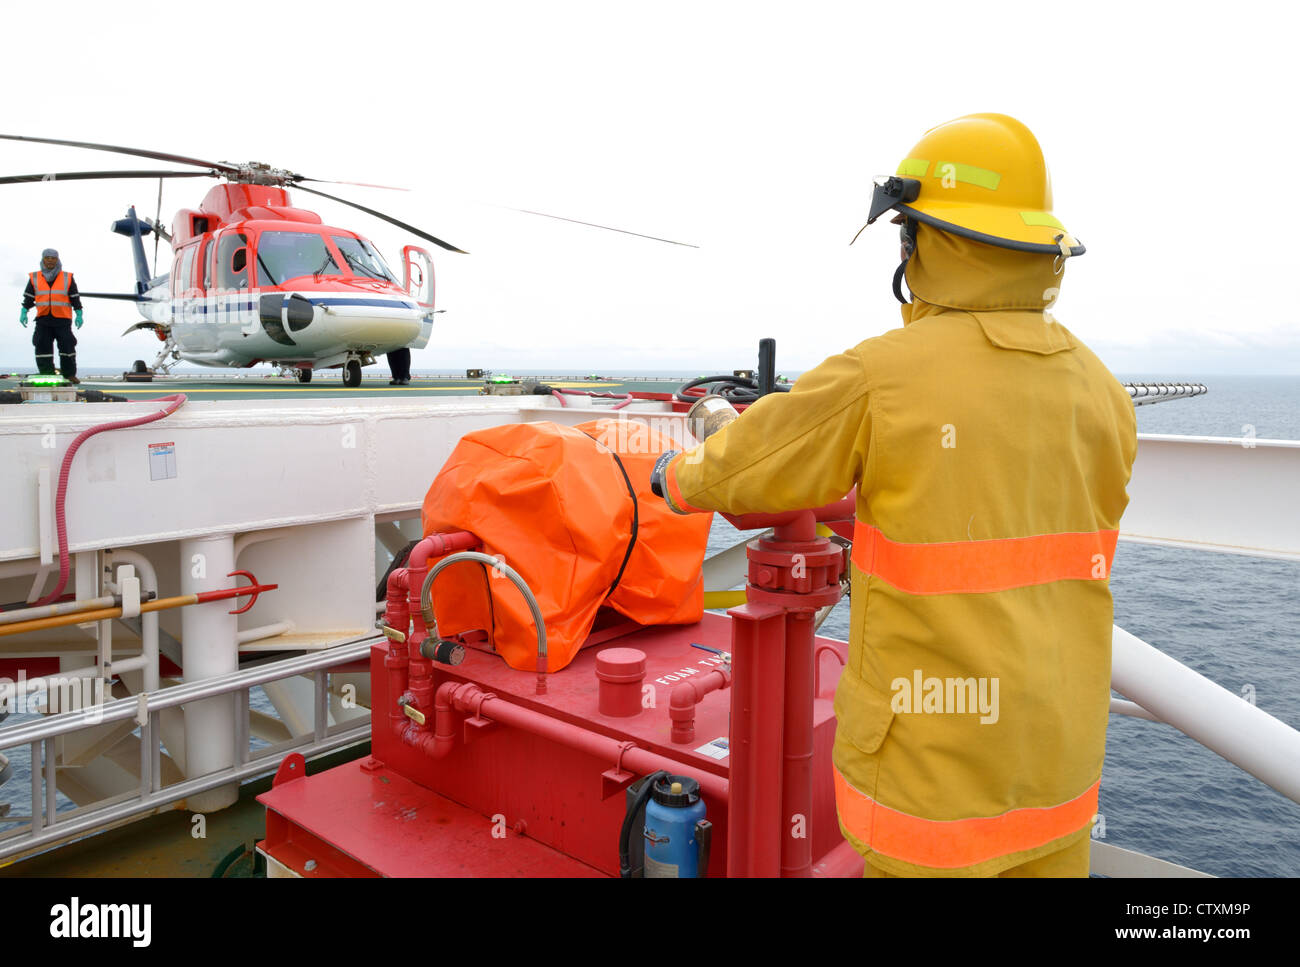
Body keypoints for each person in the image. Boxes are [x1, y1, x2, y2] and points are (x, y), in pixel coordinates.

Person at [651, 114, 1137, 877]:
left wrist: (675, 478)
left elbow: (755, 464)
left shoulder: (885, 376)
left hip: (933, 794)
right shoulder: (1104, 392)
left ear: (925, 240)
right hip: (1057, 778)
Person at [20, 248, 83, 384]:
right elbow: (29, 297)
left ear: (57, 260)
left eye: (53, 258)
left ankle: (69, 374)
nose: (50, 260)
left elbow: (75, 297)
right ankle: (46, 373)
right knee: (42, 346)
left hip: (63, 319)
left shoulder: (68, 277)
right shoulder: (34, 277)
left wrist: (79, 313)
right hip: (43, 319)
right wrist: (24, 311)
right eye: (47, 257)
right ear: (43, 259)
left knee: (67, 346)